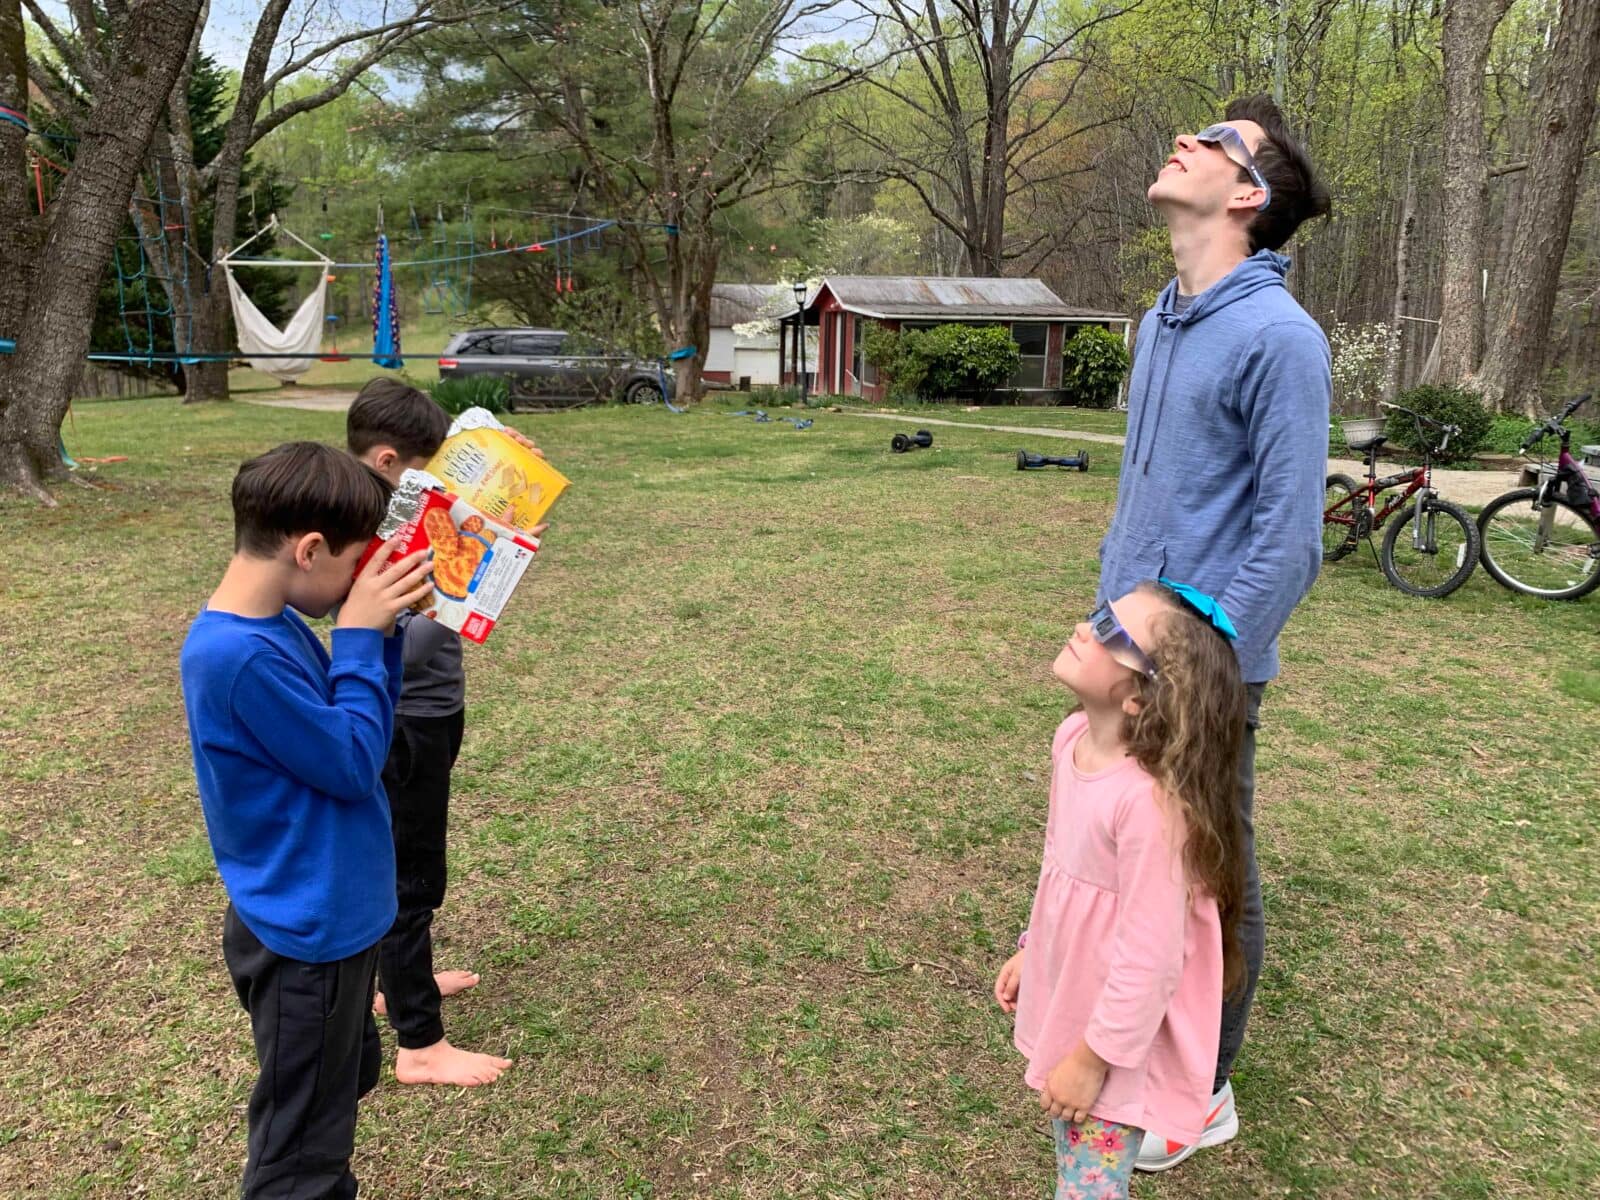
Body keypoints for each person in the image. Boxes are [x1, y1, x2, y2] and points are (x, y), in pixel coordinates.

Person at [1098, 92, 1332, 1172]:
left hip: (1207, 668)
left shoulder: (1280, 338)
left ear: (1247, 196)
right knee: (1131, 864)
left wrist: (1205, 654)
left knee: (1207, 874)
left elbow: (1288, 541)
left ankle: (1207, 1088)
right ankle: (1129, 1044)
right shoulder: (1159, 318)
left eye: (1220, 143)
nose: (1185, 137)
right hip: (1121, 649)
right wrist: (1114, 628)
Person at [180, 441, 435, 1197]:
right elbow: (354, 763)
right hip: (305, 936)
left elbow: (354, 736)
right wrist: (359, 635)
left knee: (342, 1079)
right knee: (300, 1155)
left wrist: (377, 638)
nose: (361, 578)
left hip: (330, 917)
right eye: (355, 561)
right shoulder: (237, 658)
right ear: (310, 547)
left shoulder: (273, 626)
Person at [993, 581, 1249, 1200]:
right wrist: (1037, 946)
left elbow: (1153, 958)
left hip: (1121, 1034)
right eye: (1098, 613)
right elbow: (1063, 864)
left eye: (1112, 632)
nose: (1086, 627)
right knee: (1075, 1164)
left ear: (1141, 697)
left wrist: (1092, 1059)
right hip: (1081, 989)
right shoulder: (1070, 739)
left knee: (1090, 1187)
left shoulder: (1149, 805)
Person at [346, 378, 535, 1087]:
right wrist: (480, 575)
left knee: (397, 864)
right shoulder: (375, 527)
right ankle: (419, 1044)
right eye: (427, 469)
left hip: (427, 713)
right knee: (409, 879)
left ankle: (394, 984)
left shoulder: (399, 508)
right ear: (390, 459)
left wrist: (497, 524)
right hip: (406, 722)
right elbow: (403, 639)